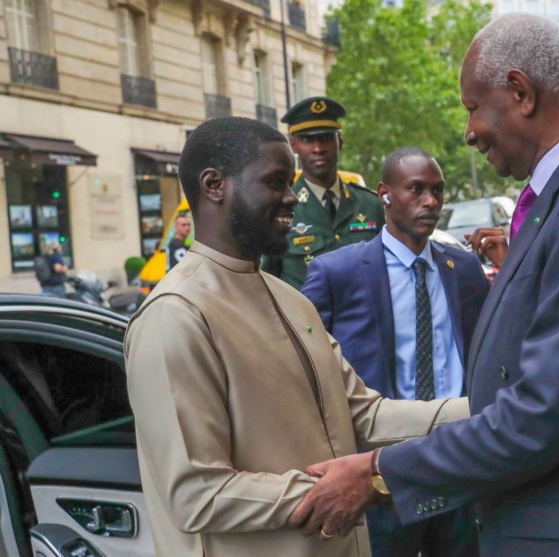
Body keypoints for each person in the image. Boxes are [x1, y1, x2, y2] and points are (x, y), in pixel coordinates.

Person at [287, 14, 559, 556]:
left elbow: (544, 411)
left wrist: (378, 473)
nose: (468, 132)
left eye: (473, 107)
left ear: (521, 93)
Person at [124, 117, 469, 557]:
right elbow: (197, 494)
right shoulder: (175, 317)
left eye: (290, 183)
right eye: (275, 183)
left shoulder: (292, 301)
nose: (292, 197)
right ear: (214, 185)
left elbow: (366, 417)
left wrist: (489, 408)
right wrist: (350, 485)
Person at [301, 147, 489, 557]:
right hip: (380, 467)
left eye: (437, 191)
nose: (431, 202)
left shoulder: (464, 269)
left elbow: (489, 353)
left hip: (457, 459)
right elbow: (305, 364)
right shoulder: (338, 273)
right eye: (416, 190)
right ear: (384, 193)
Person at [261, 96, 386, 289]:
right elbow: (266, 281)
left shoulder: (370, 205)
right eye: (307, 140)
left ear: (340, 142)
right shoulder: (278, 210)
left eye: (325, 138)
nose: (318, 148)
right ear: (293, 145)